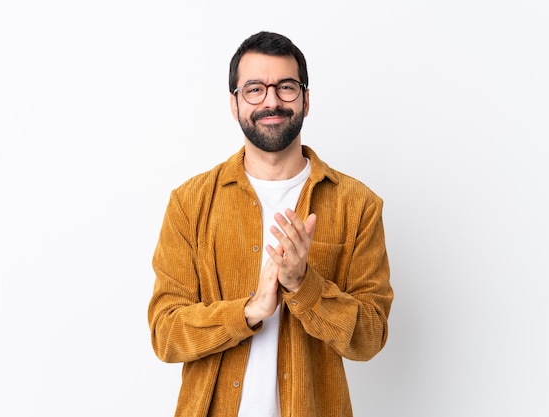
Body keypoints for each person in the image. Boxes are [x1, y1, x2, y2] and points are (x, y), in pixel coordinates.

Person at [147, 31, 393, 417]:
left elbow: (370, 339)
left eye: (286, 87)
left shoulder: (357, 204)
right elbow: (165, 334)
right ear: (235, 103)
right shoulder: (190, 203)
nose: (272, 101)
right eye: (255, 89)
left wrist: (303, 286)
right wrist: (248, 310)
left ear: (306, 99)